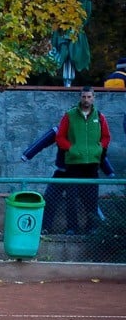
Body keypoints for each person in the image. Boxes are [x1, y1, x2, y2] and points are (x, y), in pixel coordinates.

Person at [21, 125, 115, 233]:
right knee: (51, 196)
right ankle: (46, 227)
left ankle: (88, 228)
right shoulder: (60, 129)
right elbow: (42, 142)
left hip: (84, 173)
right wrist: (27, 155)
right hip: (62, 172)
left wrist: (108, 171)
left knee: (84, 201)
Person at [55, 86, 111, 235]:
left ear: (94, 98)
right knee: (71, 197)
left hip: (92, 163)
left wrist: (99, 148)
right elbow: (60, 137)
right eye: (84, 97)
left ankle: (91, 227)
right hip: (73, 163)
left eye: (89, 97)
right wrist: (72, 149)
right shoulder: (70, 115)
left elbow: (106, 137)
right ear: (80, 98)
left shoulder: (99, 116)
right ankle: (72, 228)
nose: (86, 100)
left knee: (91, 198)